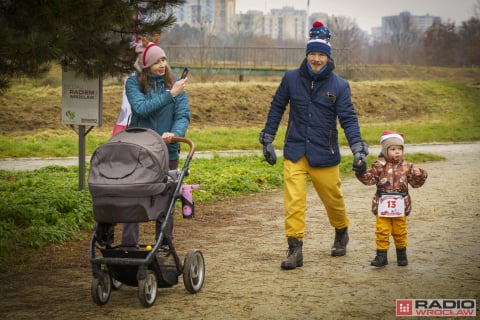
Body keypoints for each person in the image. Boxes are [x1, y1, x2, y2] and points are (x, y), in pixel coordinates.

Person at [259, 21, 369, 270]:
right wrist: (268, 138)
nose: (316, 59)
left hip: (324, 153)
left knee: (334, 200)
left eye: (321, 54)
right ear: (307, 54)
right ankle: (295, 249)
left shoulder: (339, 86)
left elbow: (348, 119)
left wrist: (358, 148)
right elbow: (277, 107)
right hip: (296, 150)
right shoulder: (290, 78)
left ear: (327, 56)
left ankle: (341, 231)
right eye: (312, 54)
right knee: (294, 202)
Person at [122, 35, 190, 247]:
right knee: (134, 198)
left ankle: (163, 245)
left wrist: (174, 134)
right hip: (139, 150)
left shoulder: (174, 83)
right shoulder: (134, 83)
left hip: (166, 152)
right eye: (156, 61)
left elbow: (182, 115)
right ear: (146, 65)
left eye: (164, 60)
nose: (162, 65)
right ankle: (128, 245)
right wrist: (171, 94)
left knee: (165, 200)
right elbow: (141, 107)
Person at [355, 130, 427, 268]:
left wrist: (420, 174)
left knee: (400, 230)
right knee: (381, 230)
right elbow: (369, 180)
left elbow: (415, 183)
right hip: (382, 204)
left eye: (400, 149)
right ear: (385, 150)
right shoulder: (379, 166)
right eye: (393, 149)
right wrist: (360, 171)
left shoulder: (407, 166)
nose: (397, 152)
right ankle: (381, 256)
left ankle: (402, 254)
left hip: (400, 204)